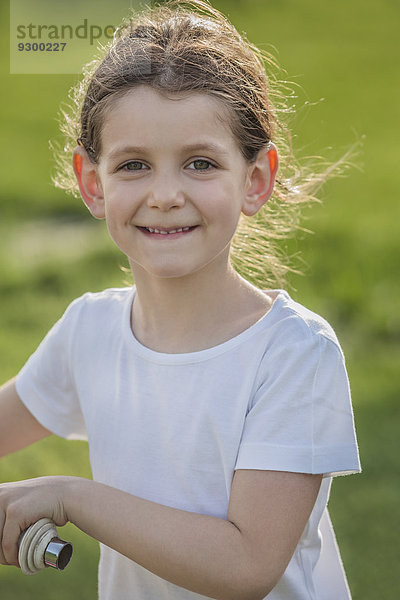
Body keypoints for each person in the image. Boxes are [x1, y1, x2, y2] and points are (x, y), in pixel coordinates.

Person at [0, 1, 360, 598]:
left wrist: (71, 496)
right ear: (94, 183)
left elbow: (244, 565)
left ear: (256, 179)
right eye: (134, 165)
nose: (165, 194)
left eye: (199, 163)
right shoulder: (90, 329)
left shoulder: (293, 354)